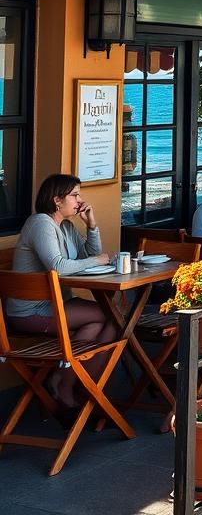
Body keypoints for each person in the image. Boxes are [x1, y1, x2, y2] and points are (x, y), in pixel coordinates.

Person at [5, 174, 116, 408]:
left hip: (55, 307)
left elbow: (87, 255)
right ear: (57, 200)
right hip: (29, 313)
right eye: (74, 195)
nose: (80, 200)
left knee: (101, 323)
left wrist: (91, 226)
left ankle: (73, 384)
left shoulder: (64, 226)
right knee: (112, 317)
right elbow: (59, 267)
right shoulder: (40, 224)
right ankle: (81, 388)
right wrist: (98, 260)